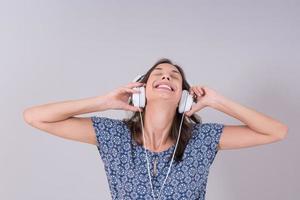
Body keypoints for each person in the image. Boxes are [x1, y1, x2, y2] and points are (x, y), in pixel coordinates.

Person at [23, 58, 288, 200]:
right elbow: (35, 117)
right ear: (140, 93)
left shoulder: (202, 140)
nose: (166, 76)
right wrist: (102, 102)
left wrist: (218, 101)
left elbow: (276, 131)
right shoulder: (114, 137)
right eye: (158, 74)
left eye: (174, 76)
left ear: (184, 98)